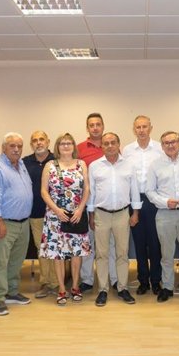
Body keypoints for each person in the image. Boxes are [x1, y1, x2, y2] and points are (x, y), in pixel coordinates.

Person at [87, 132, 141, 307]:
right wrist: (91, 215)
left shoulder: (129, 165)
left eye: (113, 143)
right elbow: (92, 192)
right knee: (101, 254)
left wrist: (135, 213)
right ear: (101, 146)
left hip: (122, 214)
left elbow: (135, 190)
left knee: (122, 253)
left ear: (119, 144)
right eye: (106, 143)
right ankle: (103, 289)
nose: (109, 146)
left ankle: (122, 288)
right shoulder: (95, 166)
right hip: (101, 214)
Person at [0, 132, 33, 316]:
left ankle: (11, 292)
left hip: (22, 223)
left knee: (16, 261)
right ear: (4, 148)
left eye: (19, 146)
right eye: (12, 146)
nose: (16, 149)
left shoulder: (21, 164)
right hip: (2, 222)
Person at [146, 131, 179, 303]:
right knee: (166, 254)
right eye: (166, 142)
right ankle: (167, 287)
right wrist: (164, 201)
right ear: (162, 146)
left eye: (174, 141)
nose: (170, 145)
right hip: (164, 214)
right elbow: (149, 191)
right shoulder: (154, 165)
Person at [40, 133, 91, 305]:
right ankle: (62, 289)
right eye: (62, 143)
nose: (66, 146)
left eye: (69, 143)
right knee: (58, 254)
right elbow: (44, 191)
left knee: (77, 253)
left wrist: (80, 209)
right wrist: (56, 210)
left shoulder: (81, 164)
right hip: (56, 217)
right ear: (57, 146)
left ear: (74, 146)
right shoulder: (50, 165)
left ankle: (75, 286)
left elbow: (87, 189)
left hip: (76, 215)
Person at [76, 113, 117, 292]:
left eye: (98, 124)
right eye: (91, 125)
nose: (95, 128)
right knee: (88, 242)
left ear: (103, 126)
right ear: (87, 128)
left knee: (111, 244)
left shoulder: (112, 146)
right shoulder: (80, 149)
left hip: (107, 205)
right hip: (85, 203)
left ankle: (114, 279)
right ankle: (87, 279)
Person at [123, 115, 164, 295]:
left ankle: (156, 281)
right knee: (139, 243)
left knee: (155, 243)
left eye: (144, 127)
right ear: (134, 129)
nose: (141, 130)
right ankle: (143, 281)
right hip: (134, 200)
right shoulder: (127, 150)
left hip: (154, 200)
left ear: (150, 128)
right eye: (138, 127)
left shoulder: (159, 149)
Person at [22, 130, 58, 299]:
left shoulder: (57, 161)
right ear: (31, 144)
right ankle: (46, 282)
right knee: (42, 248)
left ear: (48, 141)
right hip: (35, 212)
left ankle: (58, 282)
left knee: (57, 247)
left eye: (41, 139)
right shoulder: (25, 163)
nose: (38, 143)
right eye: (35, 140)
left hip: (57, 213)